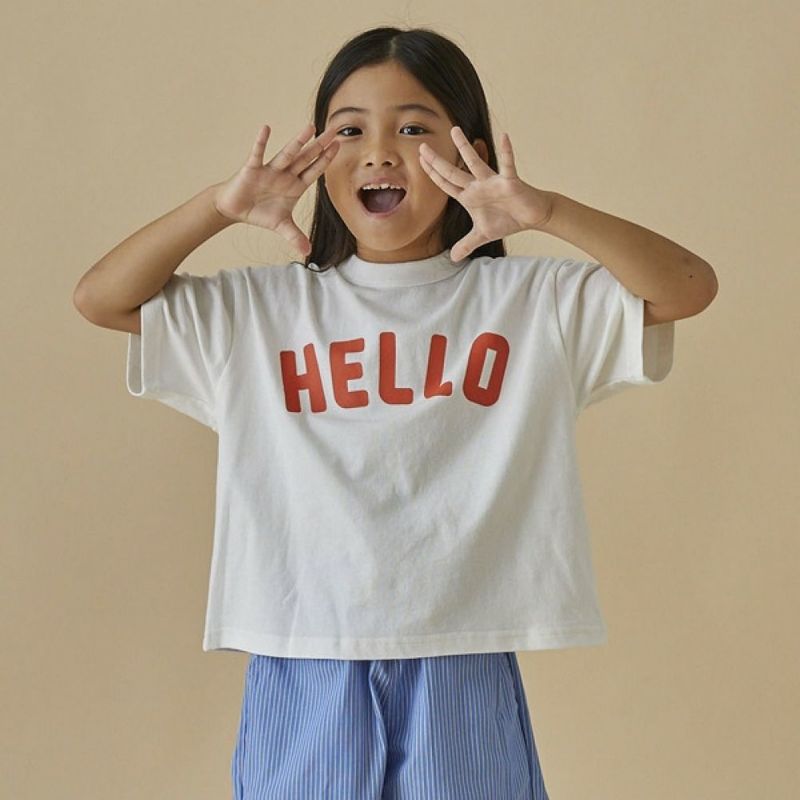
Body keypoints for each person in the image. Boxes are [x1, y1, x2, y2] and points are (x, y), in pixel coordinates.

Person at [73, 24, 717, 800]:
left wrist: (545, 210)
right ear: (318, 158)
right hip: (302, 650)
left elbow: (686, 287)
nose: (379, 151)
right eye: (349, 130)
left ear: (468, 151)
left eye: (413, 128)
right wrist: (219, 207)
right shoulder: (260, 311)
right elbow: (101, 298)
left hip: (461, 651)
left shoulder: (530, 303)